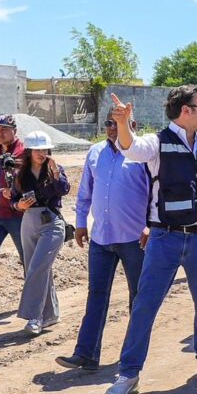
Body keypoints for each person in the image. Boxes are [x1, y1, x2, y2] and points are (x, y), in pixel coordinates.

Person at [103, 86, 197, 394]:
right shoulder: (157, 142)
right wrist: (122, 123)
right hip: (164, 237)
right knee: (145, 304)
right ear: (186, 111)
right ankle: (128, 373)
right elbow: (131, 148)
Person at [57, 116, 150, 371]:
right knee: (96, 296)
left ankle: (132, 357)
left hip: (134, 239)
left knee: (138, 298)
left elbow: (156, 193)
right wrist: (80, 222)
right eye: (109, 123)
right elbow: (85, 191)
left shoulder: (141, 154)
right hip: (101, 238)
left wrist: (151, 225)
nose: (112, 128)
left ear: (133, 126)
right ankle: (86, 354)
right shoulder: (95, 152)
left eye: (118, 123)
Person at [10, 131, 70, 335]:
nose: (41, 153)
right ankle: (50, 314)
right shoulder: (21, 174)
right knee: (37, 269)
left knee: (37, 268)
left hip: (51, 222)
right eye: (37, 149)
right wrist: (18, 205)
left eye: (44, 149)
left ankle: (34, 317)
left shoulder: (55, 170)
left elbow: (64, 190)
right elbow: (13, 199)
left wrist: (55, 173)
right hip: (28, 222)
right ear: (29, 151)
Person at [0, 114, 26, 265]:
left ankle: (39, 282)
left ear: (14, 131)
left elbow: (38, 182)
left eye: (4, 129)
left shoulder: (25, 153)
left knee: (28, 258)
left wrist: (16, 192)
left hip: (19, 216)